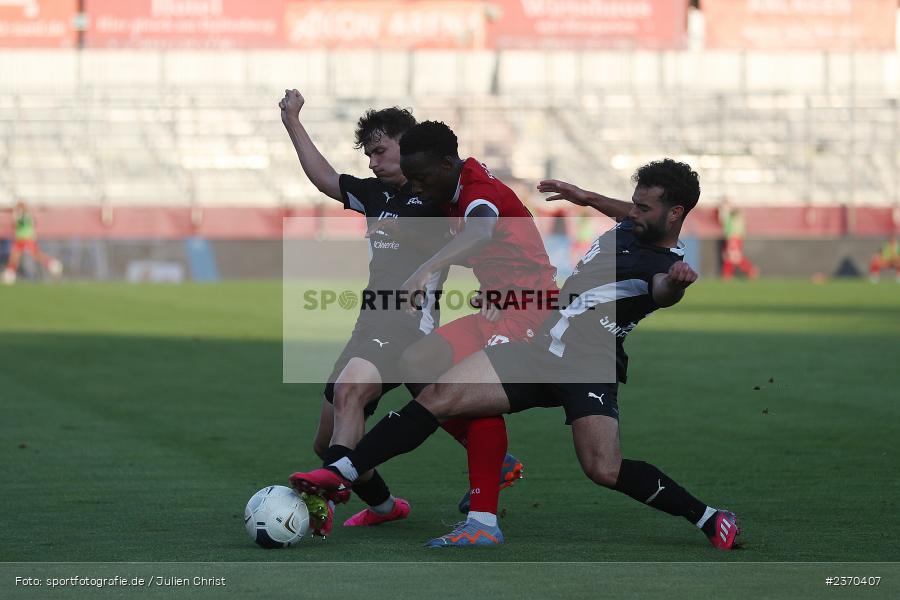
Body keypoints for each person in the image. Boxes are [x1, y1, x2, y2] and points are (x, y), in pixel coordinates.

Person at [289, 159, 742, 551]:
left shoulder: (660, 266)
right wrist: (585, 197)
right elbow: (628, 212)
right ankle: (345, 472)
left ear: (675, 214)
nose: (633, 211)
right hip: (540, 349)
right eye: (635, 203)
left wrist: (676, 286)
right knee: (440, 394)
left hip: (588, 366)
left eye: (644, 207)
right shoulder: (638, 223)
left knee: (604, 468)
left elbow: (661, 293)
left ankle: (708, 517)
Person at [293, 121, 562, 548]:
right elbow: (499, 252)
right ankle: (378, 488)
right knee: (417, 367)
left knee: (458, 392)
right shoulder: (430, 190)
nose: (415, 186)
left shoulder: (472, 190)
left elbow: (481, 232)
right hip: (490, 309)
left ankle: (482, 521)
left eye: (383, 152)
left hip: (526, 313)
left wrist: (425, 268)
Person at [2, 201, 62, 285]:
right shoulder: (23, 215)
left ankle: (52, 265)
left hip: (26, 239)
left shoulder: (24, 216)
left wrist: (15, 216)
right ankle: (10, 275)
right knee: (15, 257)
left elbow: (17, 224)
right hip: (20, 239)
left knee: (35, 255)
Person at [718, 201, 758, 280]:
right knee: (728, 256)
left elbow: (733, 213)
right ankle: (727, 275)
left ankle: (750, 269)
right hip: (732, 238)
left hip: (734, 237)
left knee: (734, 256)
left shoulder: (734, 215)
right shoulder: (730, 216)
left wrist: (725, 208)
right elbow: (723, 220)